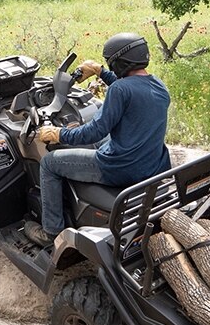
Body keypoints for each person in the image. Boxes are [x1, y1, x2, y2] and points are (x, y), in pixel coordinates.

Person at [27, 32, 171, 246]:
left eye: (110, 64)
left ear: (120, 62)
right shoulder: (159, 86)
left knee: (49, 163)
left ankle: (51, 231)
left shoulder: (119, 90)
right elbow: (130, 90)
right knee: (92, 143)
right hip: (150, 163)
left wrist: (58, 133)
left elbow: (95, 132)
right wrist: (100, 72)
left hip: (120, 167)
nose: (111, 68)